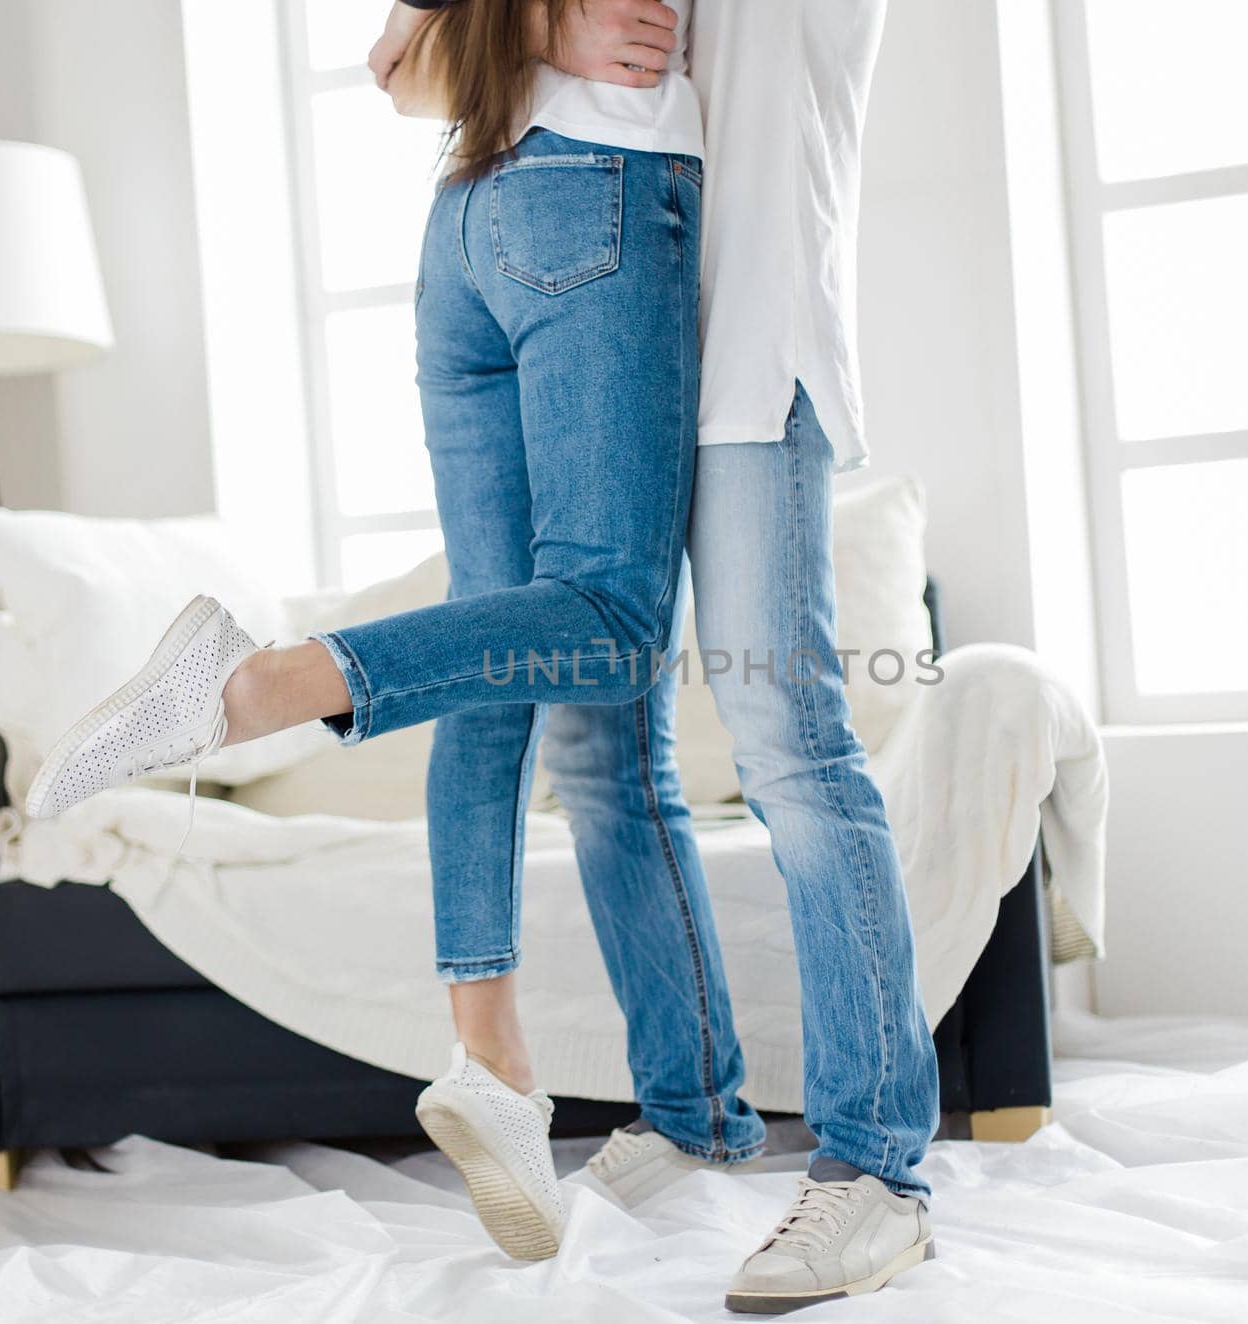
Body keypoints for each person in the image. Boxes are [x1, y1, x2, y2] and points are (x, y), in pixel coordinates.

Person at [28, 0, 704, 1269]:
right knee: (612, 623)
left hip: (469, 220)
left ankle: (491, 1059)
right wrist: (563, 31)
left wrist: (532, 34)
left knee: (495, 654)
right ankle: (257, 681)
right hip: (602, 201)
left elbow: (397, 63)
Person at [386, 0, 944, 1312]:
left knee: (788, 745)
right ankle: (695, 1111)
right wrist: (540, 40)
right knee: (599, 748)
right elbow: (411, 71)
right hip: (607, 356)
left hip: (749, 352)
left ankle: (878, 1173)